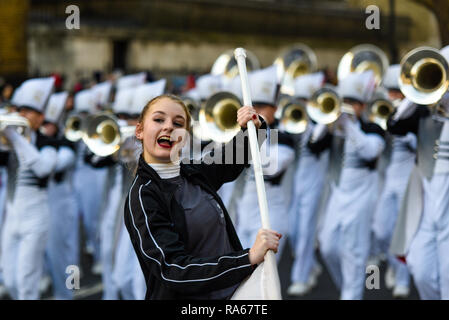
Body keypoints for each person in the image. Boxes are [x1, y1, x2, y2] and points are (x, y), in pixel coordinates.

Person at [124, 94, 281, 299]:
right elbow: (173, 269)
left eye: (178, 123)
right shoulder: (143, 196)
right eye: (159, 119)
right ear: (139, 131)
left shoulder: (190, 172)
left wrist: (253, 127)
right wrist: (247, 258)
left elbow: (233, 159)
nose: (169, 127)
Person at [318, 70, 386, 300]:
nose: (349, 106)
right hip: (338, 195)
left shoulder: (372, 129)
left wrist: (349, 126)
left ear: (363, 105)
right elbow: (312, 145)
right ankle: (347, 290)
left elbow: (370, 152)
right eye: (345, 101)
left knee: (354, 254)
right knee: (327, 247)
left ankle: (351, 295)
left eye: (354, 102)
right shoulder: (334, 128)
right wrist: (325, 118)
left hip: (362, 197)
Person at [1, 77, 58, 299]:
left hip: (35, 220)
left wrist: (15, 137)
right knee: (11, 281)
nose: (22, 114)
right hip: (11, 218)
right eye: (20, 110)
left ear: (41, 117)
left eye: (28, 110)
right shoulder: (7, 141)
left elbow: (43, 168)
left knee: (27, 283)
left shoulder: (48, 143)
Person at [234, 66, 295, 263]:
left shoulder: (284, 137)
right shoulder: (240, 135)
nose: (255, 112)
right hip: (244, 211)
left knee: (266, 278)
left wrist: (257, 133)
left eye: (261, 106)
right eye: (253, 106)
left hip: (270, 215)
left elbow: (271, 167)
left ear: (275, 109)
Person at [287, 72, 332, 296]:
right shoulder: (295, 120)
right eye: (300, 101)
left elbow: (315, 145)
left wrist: (319, 120)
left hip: (315, 182)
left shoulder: (323, 124)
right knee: (293, 230)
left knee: (305, 231)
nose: (303, 106)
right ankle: (311, 265)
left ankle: (300, 277)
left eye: (306, 101)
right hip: (297, 181)